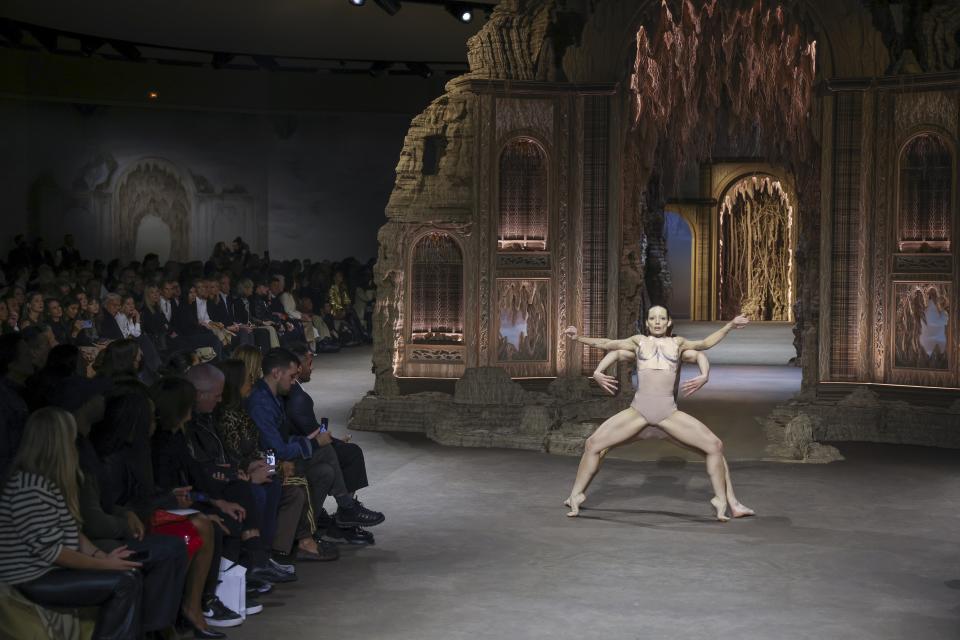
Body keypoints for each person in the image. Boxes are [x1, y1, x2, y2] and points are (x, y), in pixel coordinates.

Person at [563, 306, 750, 520]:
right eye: (653, 318)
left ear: (669, 321)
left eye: (662, 318)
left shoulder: (678, 344)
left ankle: (723, 500)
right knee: (593, 444)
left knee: (715, 446)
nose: (657, 322)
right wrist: (579, 340)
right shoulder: (638, 341)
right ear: (647, 322)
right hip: (639, 412)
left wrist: (728, 328)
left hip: (667, 414)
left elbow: (703, 346)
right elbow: (608, 345)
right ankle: (575, 495)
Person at [0, 407, 144, 640]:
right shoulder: (29, 487)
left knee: (130, 576)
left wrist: (100, 555)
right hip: (32, 577)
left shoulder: (47, 481)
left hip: (46, 571)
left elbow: (72, 533)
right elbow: (54, 552)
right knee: (123, 583)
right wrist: (105, 566)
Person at [247, 348, 384, 536]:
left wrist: (308, 441)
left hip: (272, 456)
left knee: (325, 471)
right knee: (328, 452)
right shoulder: (262, 402)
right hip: (268, 462)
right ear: (277, 373)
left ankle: (311, 530)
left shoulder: (273, 397)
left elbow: (280, 440)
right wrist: (312, 443)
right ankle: (343, 509)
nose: (294, 381)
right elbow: (276, 449)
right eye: (291, 376)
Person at [285, 342, 375, 544]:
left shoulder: (295, 393)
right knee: (350, 453)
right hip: (297, 451)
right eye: (310, 362)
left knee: (339, 454)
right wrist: (332, 441)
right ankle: (346, 513)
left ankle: (344, 513)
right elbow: (310, 432)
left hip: (299, 445)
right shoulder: (298, 397)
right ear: (297, 367)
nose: (312, 367)